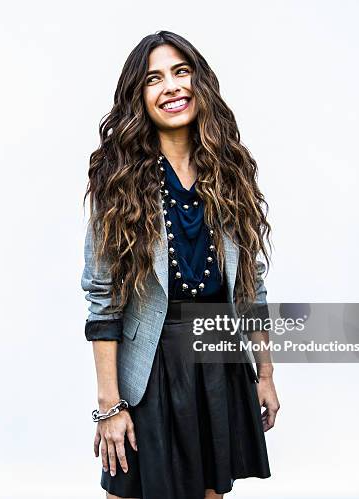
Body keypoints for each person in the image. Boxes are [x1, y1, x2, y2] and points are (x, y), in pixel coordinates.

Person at [80, 30, 280, 499]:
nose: (171, 86)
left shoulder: (229, 173)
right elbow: (103, 301)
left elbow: (252, 287)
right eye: (154, 78)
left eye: (181, 71)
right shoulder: (119, 183)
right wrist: (110, 405)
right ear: (139, 97)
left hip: (218, 361)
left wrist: (265, 374)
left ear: (199, 84)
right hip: (151, 366)